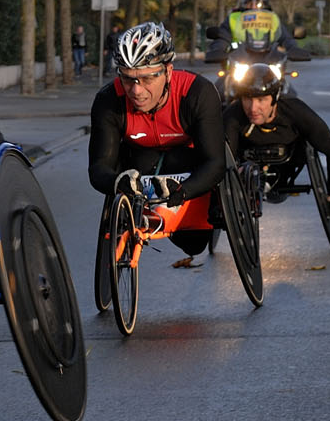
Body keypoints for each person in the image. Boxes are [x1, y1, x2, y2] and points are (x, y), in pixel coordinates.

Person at [87, 21, 227, 259]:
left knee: (194, 245)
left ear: (168, 71)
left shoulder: (197, 92)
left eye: (147, 78)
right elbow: (98, 167)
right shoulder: (109, 100)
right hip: (139, 163)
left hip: (190, 164)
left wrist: (184, 192)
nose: (136, 91)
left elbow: (216, 163)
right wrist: (118, 183)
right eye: (128, 79)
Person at [220, 62, 330, 216]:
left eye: (261, 100)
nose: (253, 108)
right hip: (248, 160)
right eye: (247, 99)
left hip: (289, 162)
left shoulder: (295, 111)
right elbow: (225, 160)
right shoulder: (233, 115)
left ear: (274, 98)